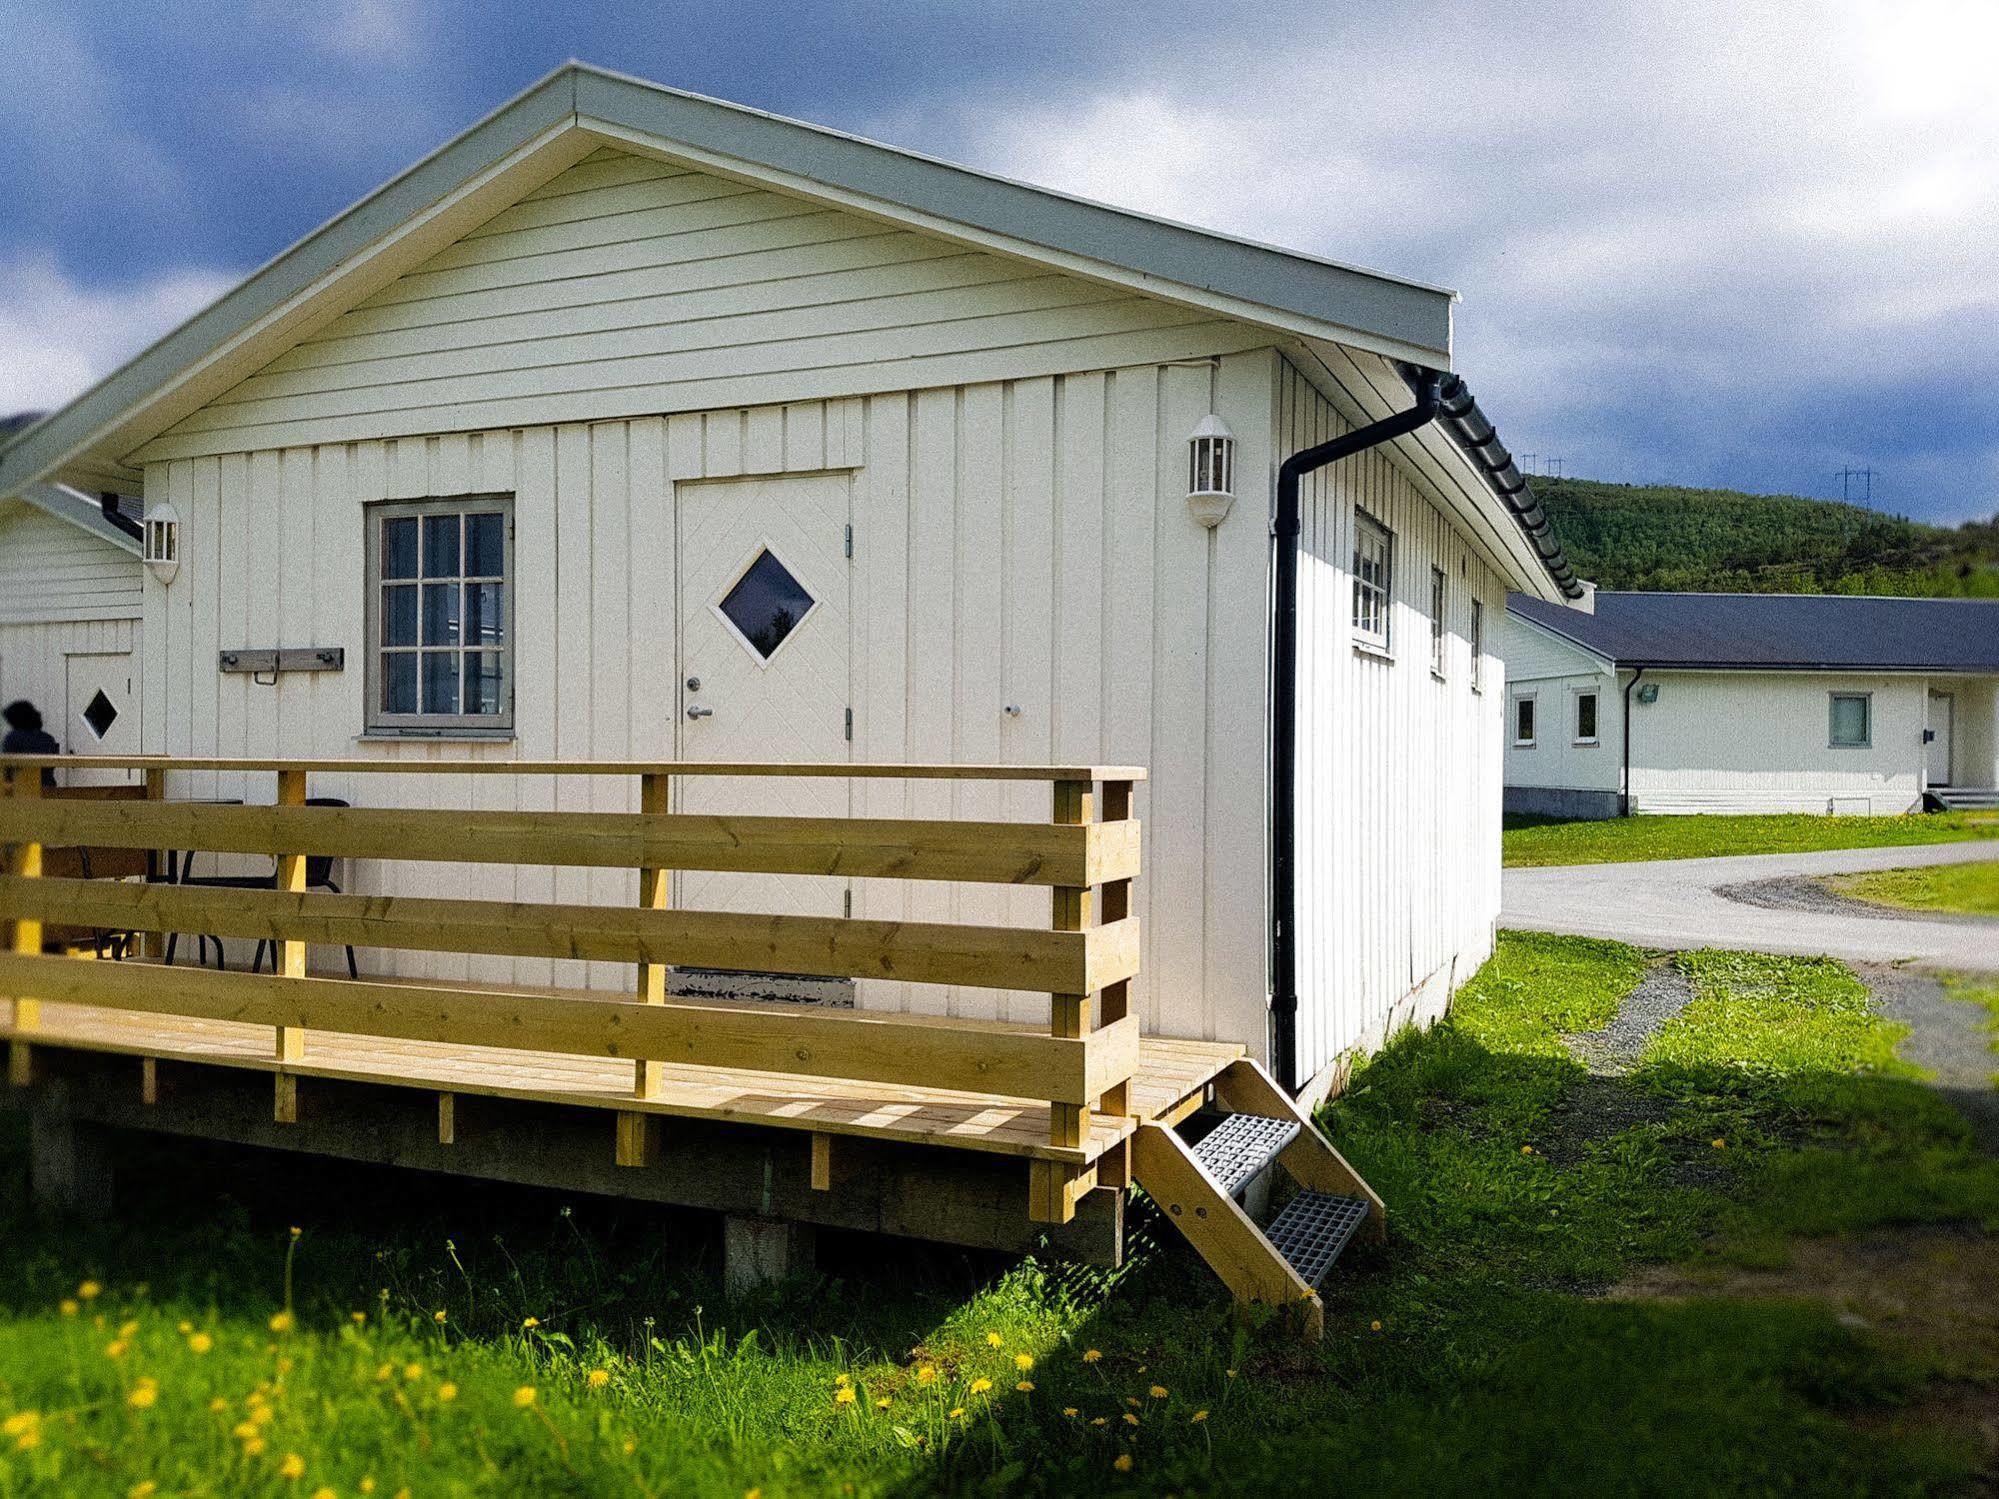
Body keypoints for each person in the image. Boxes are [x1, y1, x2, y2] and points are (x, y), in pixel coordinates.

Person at [2, 700, 60, 788]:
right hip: (47, 789)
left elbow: (7, 768)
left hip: (20, 790)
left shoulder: (12, 738)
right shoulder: (48, 738)